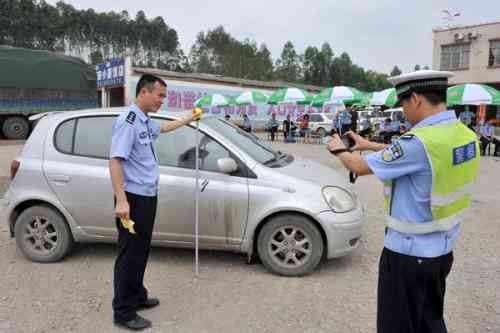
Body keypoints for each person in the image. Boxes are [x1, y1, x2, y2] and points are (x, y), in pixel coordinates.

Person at [326, 70, 479, 333]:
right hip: (441, 252)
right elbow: (412, 156)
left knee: (396, 326)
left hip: (408, 256)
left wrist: (338, 148)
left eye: (404, 104)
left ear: (416, 99)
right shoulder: (461, 133)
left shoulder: (419, 142)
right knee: (429, 321)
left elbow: (359, 166)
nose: (404, 112)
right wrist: (369, 144)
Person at [109, 74, 201, 331]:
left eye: (164, 96)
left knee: (141, 250)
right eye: (159, 95)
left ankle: (137, 295)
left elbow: (163, 129)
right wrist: (121, 201)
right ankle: (124, 311)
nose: (162, 100)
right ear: (144, 93)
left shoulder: (144, 120)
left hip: (147, 196)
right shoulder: (128, 121)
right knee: (129, 254)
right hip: (133, 199)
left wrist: (188, 119)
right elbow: (116, 161)